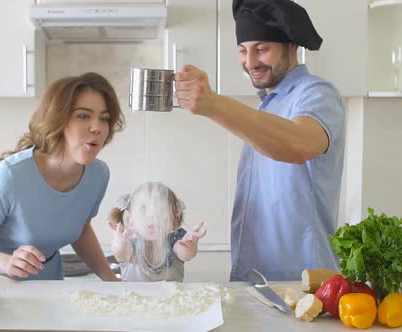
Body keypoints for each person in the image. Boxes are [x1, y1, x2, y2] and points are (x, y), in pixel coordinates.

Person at [173, 0, 346, 281]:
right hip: (255, 282)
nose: (250, 62)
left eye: (262, 49)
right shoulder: (268, 105)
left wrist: (213, 104)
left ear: (292, 46)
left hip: (303, 283)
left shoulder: (317, 94)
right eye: (243, 50)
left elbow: (298, 144)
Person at [0, 72, 124, 281]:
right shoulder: (9, 177)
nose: (97, 127)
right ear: (59, 120)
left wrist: (111, 281)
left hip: (47, 281)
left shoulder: (98, 175)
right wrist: (7, 263)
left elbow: (80, 229)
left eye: (104, 118)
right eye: (83, 115)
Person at [107, 182, 206, 281]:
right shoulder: (130, 240)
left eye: (162, 210)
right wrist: (120, 243)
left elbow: (185, 255)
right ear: (131, 220)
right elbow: (122, 255)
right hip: (134, 295)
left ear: (174, 221)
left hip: (171, 295)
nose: (152, 216)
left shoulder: (176, 239)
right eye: (143, 209)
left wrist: (189, 246)